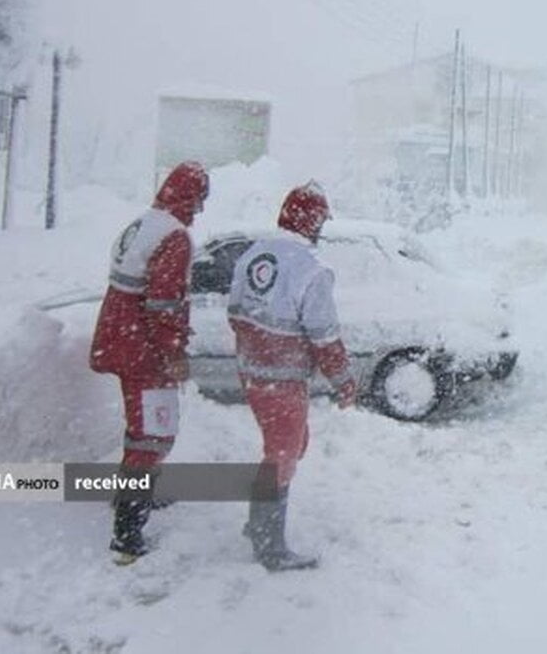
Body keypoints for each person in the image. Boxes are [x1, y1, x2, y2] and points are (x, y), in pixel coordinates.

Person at [227, 181, 357, 571]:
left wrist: (256, 348)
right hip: (282, 378)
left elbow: (234, 311)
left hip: (252, 373)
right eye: (320, 221)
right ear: (312, 221)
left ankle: (258, 522)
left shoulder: (254, 253)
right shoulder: (311, 270)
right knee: (282, 454)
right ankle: (269, 544)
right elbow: (325, 335)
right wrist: (343, 380)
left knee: (292, 446)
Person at [89, 160, 210, 563]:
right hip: (144, 348)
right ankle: (127, 533)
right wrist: (173, 353)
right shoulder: (175, 237)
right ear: (189, 196)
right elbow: (164, 304)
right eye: (200, 200)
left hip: (120, 337)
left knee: (139, 428)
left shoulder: (144, 223)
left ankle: (133, 494)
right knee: (153, 434)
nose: (200, 210)